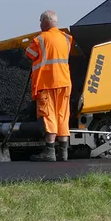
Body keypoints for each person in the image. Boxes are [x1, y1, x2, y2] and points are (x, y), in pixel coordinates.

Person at [25, 10, 74, 162]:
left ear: (46, 21)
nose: (40, 24)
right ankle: (63, 152)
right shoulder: (67, 38)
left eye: (41, 21)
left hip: (47, 83)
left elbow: (29, 54)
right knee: (63, 115)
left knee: (49, 115)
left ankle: (49, 151)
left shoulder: (40, 39)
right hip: (64, 82)